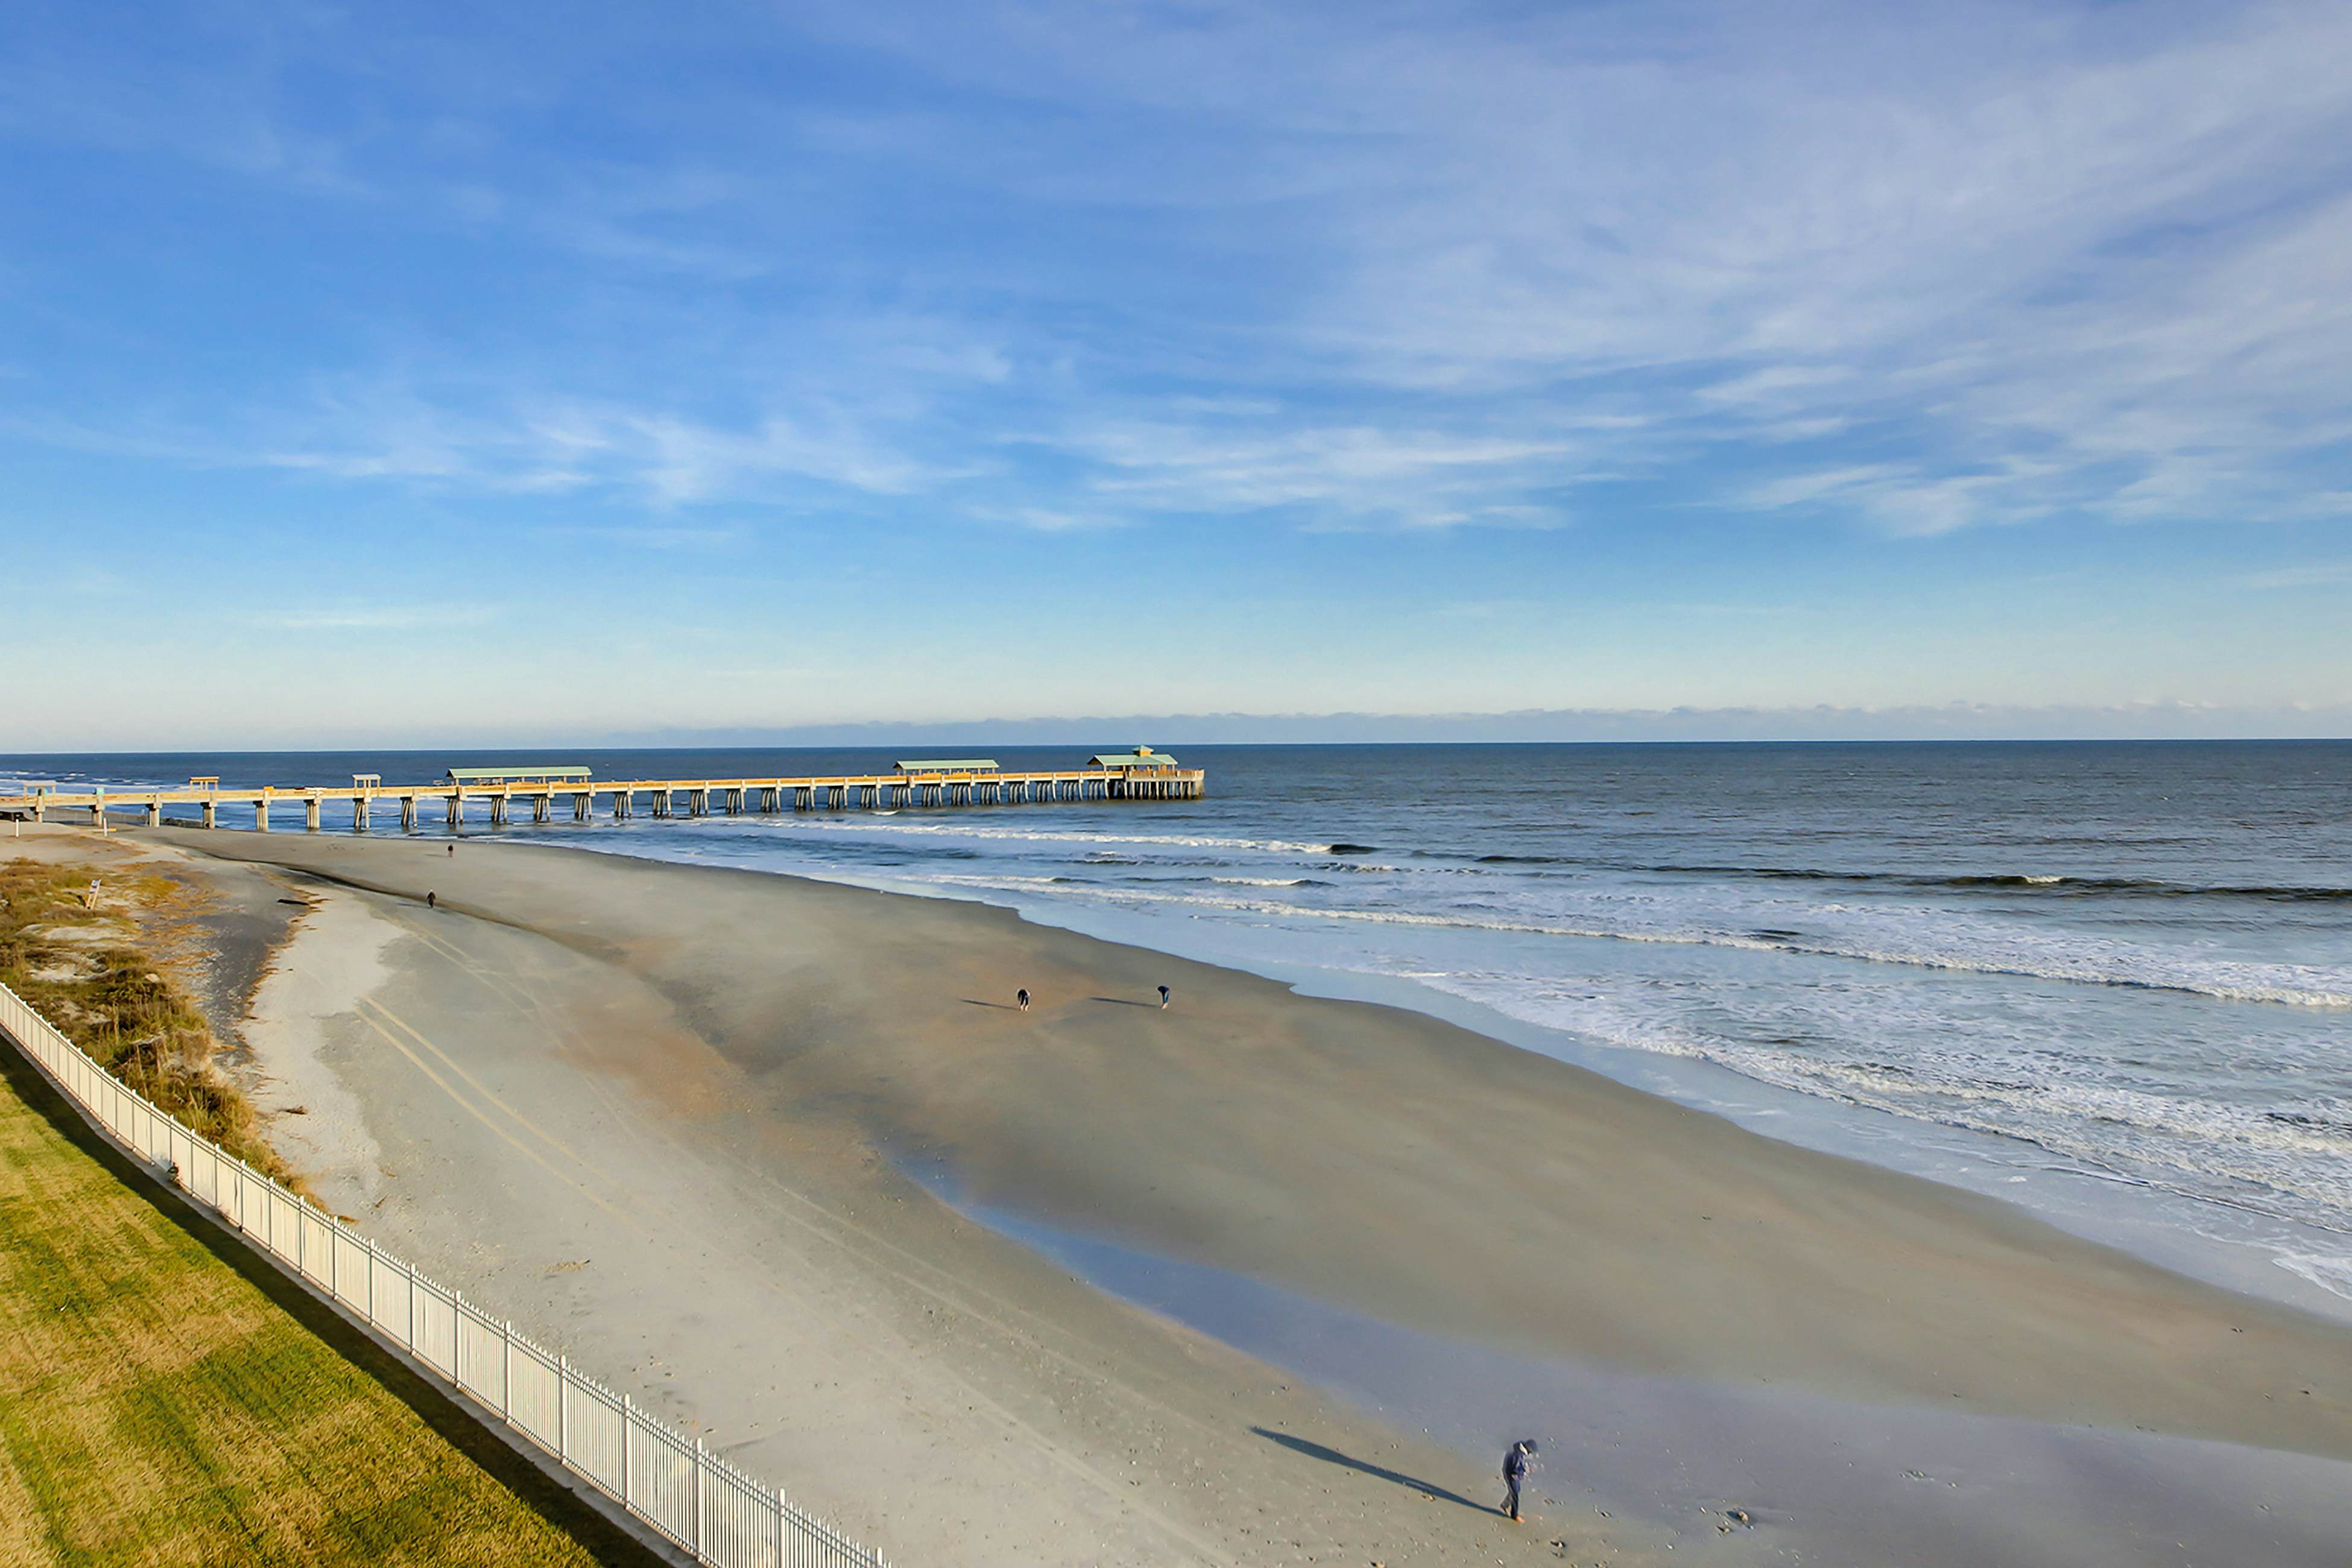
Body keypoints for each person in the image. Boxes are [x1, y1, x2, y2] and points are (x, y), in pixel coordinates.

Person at [1501, 1439, 1537, 1522]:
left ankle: (1505, 1505)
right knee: (1515, 1494)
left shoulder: (1517, 1448)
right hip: (1511, 1475)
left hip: (1507, 1470)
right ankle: (1514, 1515)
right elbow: (1515, 1469)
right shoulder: (1518, 1455)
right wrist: (1526, 1471)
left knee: (1516, 1490)